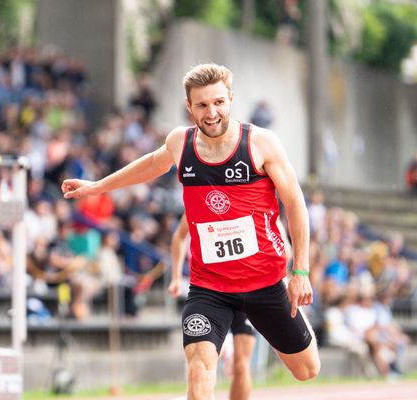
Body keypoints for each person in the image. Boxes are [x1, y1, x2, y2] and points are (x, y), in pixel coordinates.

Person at [62, 63, 320, 399]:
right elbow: (151, 165)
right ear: (189, 107)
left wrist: (300, 271)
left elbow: (296, 205)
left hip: (266, 282)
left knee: (307, 370)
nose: (211, 113)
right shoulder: (179, 143)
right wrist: (97, 186)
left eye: (218, 103)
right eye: (201, 105)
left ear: (230, 100)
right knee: (199, 371)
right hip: (209, 286)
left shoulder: (260, 143)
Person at [170, 214, 255, 400]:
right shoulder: (198, 198)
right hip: (209, 293)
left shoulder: (248, 197)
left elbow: (284, 247)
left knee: (241, 365)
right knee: (199, 367)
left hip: (244, 289)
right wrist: (176, 276)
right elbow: (179, 236)